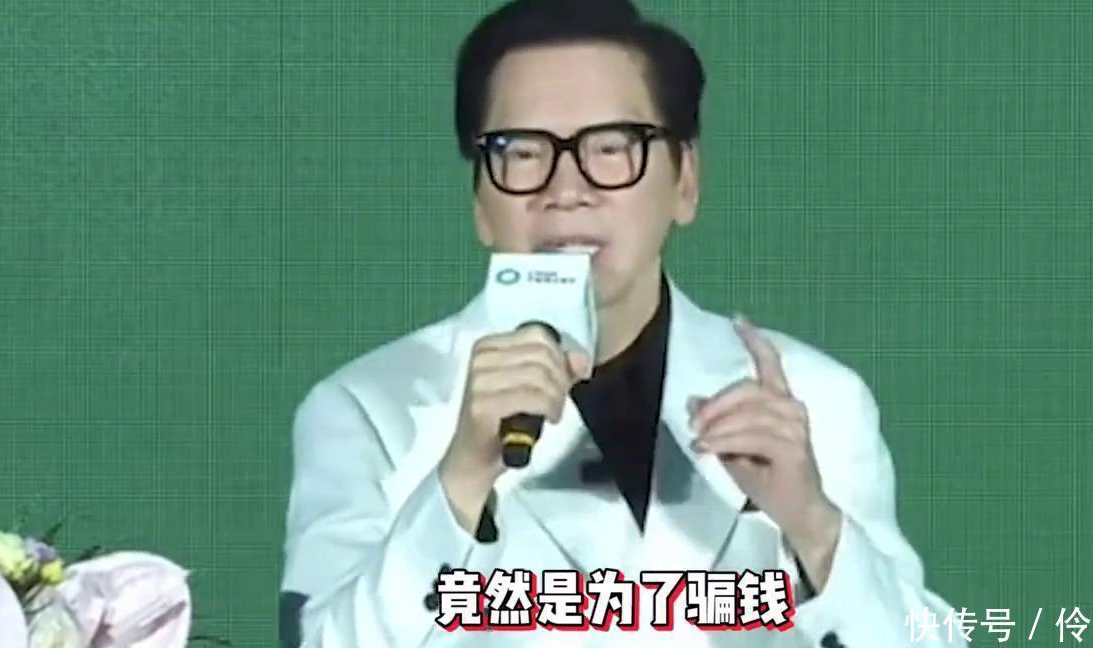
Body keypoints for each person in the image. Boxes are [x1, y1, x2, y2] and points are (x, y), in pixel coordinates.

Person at [279, 1, 962, 646]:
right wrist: (457, 483)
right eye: (522, 151)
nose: (566, 189)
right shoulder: (365, 411)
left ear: (685, 182)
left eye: (611, 147)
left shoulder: (817, 403)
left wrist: (814, 526)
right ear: (481, 202)